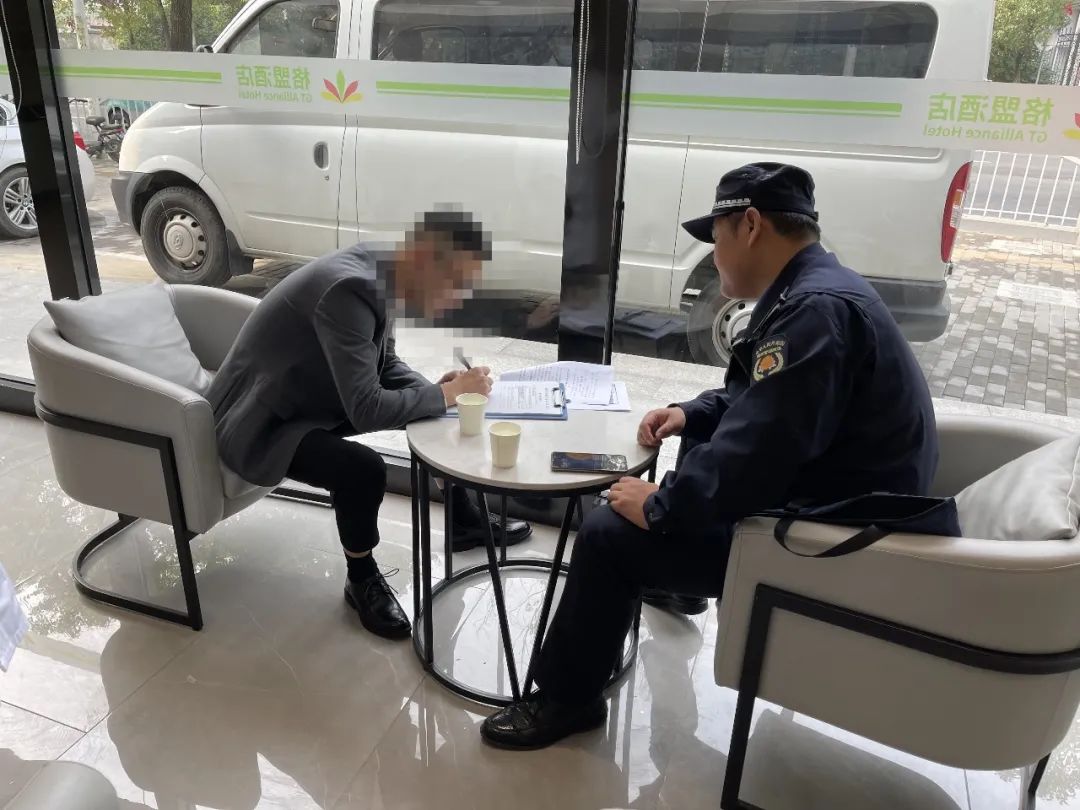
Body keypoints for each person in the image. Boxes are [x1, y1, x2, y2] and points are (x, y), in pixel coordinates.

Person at [480, 162, 939, 750]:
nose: (714, 254)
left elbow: (763, 450)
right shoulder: (819, 289)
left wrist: (662, 507)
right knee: (699, 441)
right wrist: (690, 412)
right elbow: (768, 402)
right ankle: (679, 585)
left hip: (831, 538)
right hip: (845, 499)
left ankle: (568, 699)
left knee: (607, 534)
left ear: (750, 225)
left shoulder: (812, 312)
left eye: (716, 237)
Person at [209, 210, 530, 641]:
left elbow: (384, 362)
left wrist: (438, 394)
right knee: (362, 469)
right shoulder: (350, 291)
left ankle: (463, 519)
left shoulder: (385, 269)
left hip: (306, 397)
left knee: (432, 411)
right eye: (454, 284)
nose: (457, 298)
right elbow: (367, 409)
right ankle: (360, 578)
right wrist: (445, 395)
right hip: (260, 423)